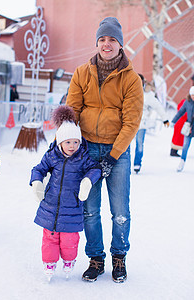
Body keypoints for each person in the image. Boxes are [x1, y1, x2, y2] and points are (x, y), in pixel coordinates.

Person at [66, 17, 143, 283]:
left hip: (117, 152)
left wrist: (113, 155)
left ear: (120, 45)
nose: (106, 44)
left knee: (120, 211)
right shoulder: (81, 73)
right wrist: (67, 144)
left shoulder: (131, 78)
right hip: (86, 150)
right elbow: (72, 111)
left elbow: (131, 121)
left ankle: (119, 257)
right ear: (97, 43)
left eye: (112, 39)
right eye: (102, 39)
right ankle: (96, 258)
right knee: (89, 210)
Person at [30, 105, 101, 281]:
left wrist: (87, 181)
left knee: (70, 240)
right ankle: (49, 263)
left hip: (72, 208)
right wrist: (36, 181)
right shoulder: (52, 155)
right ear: (60, 141)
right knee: (49, 239)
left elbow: (95, 169)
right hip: (50, 208)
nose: (72, 146)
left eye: (76, 142)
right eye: (68, 142)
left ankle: (69, 261)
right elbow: (39, 169)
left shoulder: (82, 157)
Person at [133, 77, 169, 173]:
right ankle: (123, 165)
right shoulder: (128, 91)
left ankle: (137, 163)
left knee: (139, 144)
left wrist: (165, 119)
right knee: (124, 145)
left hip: (141, 123)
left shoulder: (148, 96)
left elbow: (158, 106)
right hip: (128, 123)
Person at [171, 86, 194, 172]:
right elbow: (180, 112)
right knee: (185, 145)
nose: (193, 97)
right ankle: (182, 162)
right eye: (192, 95)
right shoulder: (187, 102)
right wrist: (173, 121)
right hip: (189, 127)